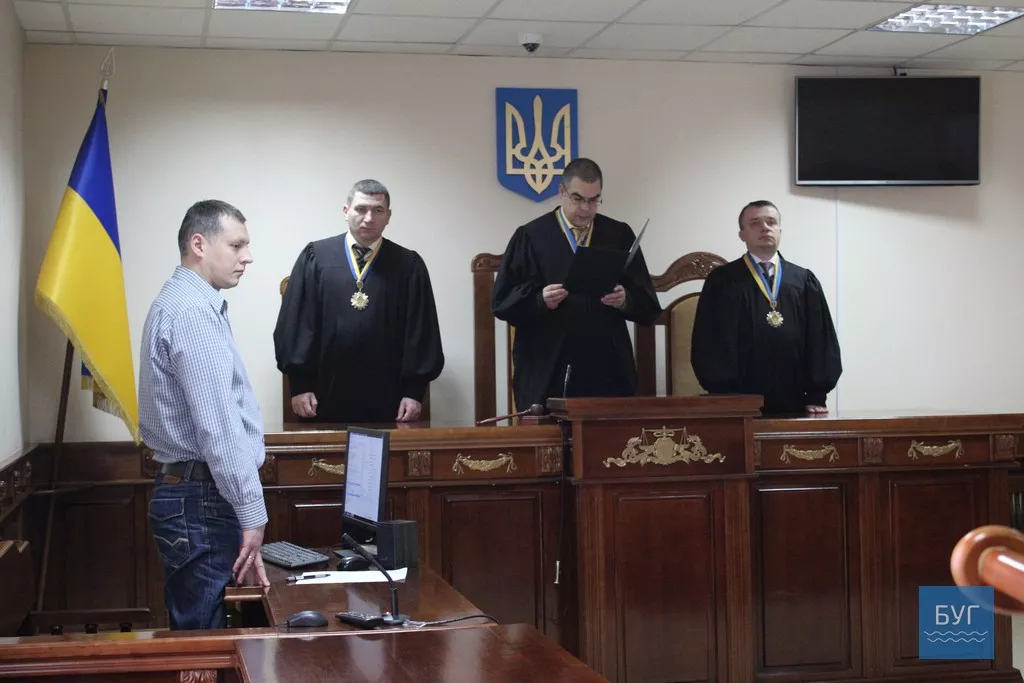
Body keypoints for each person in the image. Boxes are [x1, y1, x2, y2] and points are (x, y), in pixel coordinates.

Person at [139, 200, 270, 631]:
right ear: (199, 244)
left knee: (200, 630)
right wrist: (252, 513)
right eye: (236, 245)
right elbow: (219, 428)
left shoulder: (181, 301)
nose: (247, 257)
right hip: (201, 497)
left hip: (190, 492)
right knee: (204, 638)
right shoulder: (193, 312)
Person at [491, 158, 662, 410]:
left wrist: (625, 299)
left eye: (594, 200)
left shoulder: (618, 234)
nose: (585, 208)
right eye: (578, 198)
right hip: (547, 365)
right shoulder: (531, 236)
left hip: (607, 367)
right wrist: (540, 299)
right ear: (562, 192)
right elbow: (502, 301)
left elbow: (648, 304)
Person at [274, 179, 444, 424]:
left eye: (378, 210)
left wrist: (414, 391)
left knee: (385, 450)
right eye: (361, 209)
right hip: (322, 394)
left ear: (388, 216)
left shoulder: (408, 264)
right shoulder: (316, 257)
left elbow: (421, 330)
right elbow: (297, 322)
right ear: (346, 211)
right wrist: (300, 385)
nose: (369, 218)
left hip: (391, 398)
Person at [690, 200, 842, 415]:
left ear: (780, 230)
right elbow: (709, 341)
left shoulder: (803, 280)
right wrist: (723, 394)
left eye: (771, 222)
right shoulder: (722, 281)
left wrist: (817, 394)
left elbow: (821, 339)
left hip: (796, 398)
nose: (765, 227)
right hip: (738, 400)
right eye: (755, 223)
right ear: (742, 234)